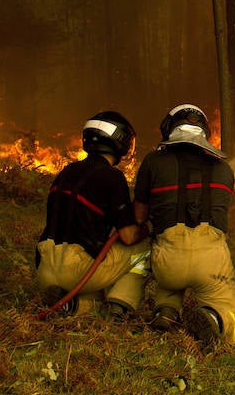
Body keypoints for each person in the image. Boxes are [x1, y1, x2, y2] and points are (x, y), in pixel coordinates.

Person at [133, 103, 235, 347]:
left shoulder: (153, 162)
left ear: (168, 129)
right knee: (234, 318)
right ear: (205, 132)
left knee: (171, 280)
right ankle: (214, 318)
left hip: (168, 261)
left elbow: (139, 216)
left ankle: (165, 313)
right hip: (211, 262)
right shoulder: (224, 168)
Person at [36, 111, 151, 318]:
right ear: (121, 141)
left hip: (45, 267)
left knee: (96, 304)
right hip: (77, 268)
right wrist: (148, 227)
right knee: (145, 247)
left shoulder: (67, 171)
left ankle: (70, 306)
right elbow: (127, 236)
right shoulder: (112, 177)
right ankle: (121, 305)